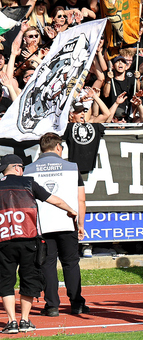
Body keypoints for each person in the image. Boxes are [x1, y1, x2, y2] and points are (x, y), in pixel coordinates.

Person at [0, 154, 78, 335]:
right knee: (29, 279)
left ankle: (11, 321)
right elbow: (55, 200)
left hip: (4, 241)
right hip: (29, 239)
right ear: (18, 168)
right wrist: (71, 211)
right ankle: (25, 320)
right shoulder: (29, 183)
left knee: (6, 281)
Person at [24, 132, 88, 317]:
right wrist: (80, 223)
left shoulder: (29, 169)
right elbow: (81, 198)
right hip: (68, 221)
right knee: (71, 263)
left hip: (42, 224)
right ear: (59, 148)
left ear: (41, 149)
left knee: (47, 264)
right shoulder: (72, 167)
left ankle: (52, 306)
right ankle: (77, 304)